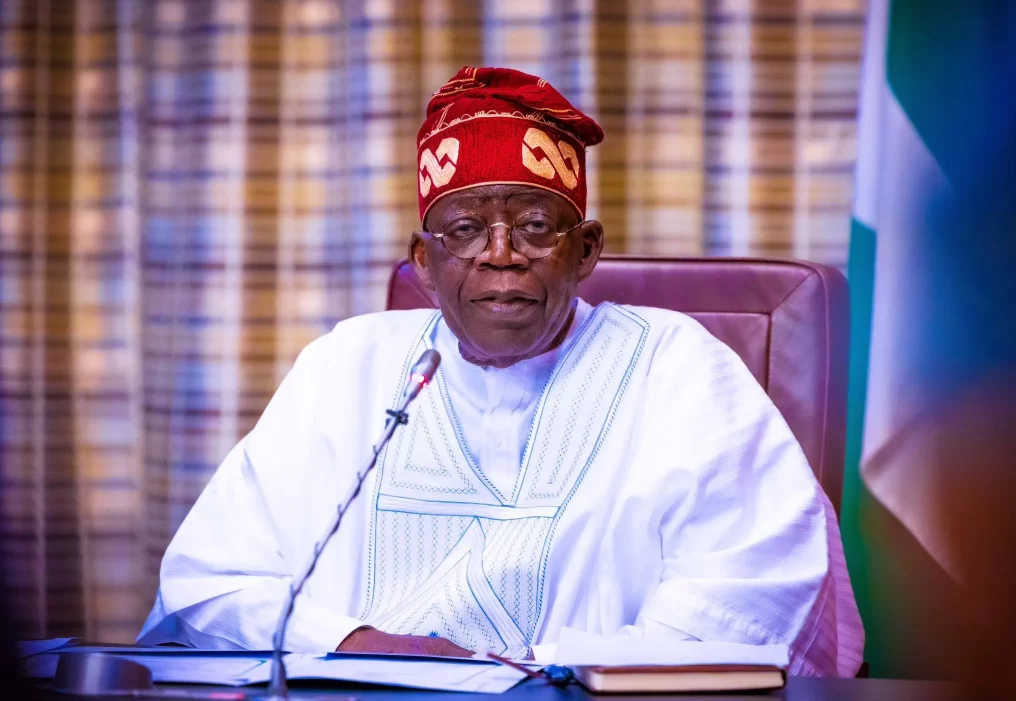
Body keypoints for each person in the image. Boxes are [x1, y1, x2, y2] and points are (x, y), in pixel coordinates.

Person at [139, 67, 863, 676]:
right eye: (463, 231)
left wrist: (540, 676)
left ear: (586, 250)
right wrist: (362, 645)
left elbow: (752, 602)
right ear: (424, 263)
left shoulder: (678, 367)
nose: (501, 254)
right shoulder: (347, 366)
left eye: (536, 227)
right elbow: (214, 583)